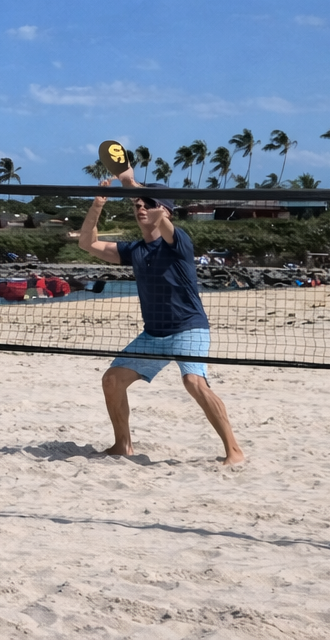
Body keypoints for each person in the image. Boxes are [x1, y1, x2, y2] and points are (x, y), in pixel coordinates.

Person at [78, 167, 244, 466]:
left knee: (194, 382)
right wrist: (98, 204)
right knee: (112, 380)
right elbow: (87, 244)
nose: (140, 207)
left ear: (165, 210)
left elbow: (163, 220)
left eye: (148, 204)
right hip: (154, 334)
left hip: (188, 328)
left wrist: (132, 184)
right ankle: (121, 445)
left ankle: (234, 450)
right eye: (137, 204)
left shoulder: (178, 242)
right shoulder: (135, 250)